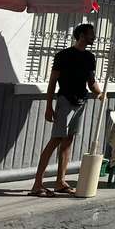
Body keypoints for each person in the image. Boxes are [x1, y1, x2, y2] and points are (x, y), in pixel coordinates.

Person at [30, 23, 103, 197]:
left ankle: (60, 182)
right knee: (56, 139)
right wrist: (49, 106)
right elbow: (53, 81)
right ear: (82, 35)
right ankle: (37, 184)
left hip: (80, 103)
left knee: (68, 142)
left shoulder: (90, 57)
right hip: (64, 101)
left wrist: (100, 93)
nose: (94, 37)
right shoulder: (64, 55)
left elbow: (91, 82)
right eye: (91, 34)